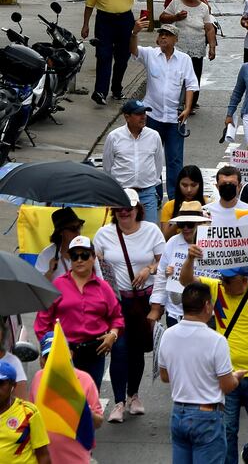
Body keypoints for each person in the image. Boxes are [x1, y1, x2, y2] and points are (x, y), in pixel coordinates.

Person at [178, 243, 248, 464]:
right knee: (227, 430)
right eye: (223, 278)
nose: (224, 283)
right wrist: (190, 259)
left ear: (244, 279)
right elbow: (186, 281)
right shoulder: (216, 289)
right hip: (226, 374)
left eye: (229, 280)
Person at [92, 189, 164, 422]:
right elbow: (95, 265)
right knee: (119, 349)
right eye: (120, 209)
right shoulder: (103, 234)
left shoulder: (151, 231)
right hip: (116, 302)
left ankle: (134, 395)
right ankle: (119, 402)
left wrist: (149, 269)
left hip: (143, 301)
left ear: (137, 210)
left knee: (137, 349)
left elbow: (163, 261)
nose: (124, 212)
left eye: (129, 208)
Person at [157, 282, 244, 464]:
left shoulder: (168, 335)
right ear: (206, 306)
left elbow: (165, 376)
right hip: (207, 417)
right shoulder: (216, 340)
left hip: (178, 414)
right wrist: (236, 378)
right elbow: (226, 385)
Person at [33, 234, 122, 389]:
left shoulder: (103, 288)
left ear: (93, 258)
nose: (79, 260)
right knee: (65, 402)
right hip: (64, 351)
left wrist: (112, 335)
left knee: (90, 401)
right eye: (74, 256)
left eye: (84, 255)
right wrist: (48, 350)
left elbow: (116, 317)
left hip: (95, 351)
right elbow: (42, 322)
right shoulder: (58, 285)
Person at [130, 21, 199, 198]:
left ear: (175, 39)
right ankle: (155, 194)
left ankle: (175, 198)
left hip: (175, 118)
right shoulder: (150, 54)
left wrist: (187, 107)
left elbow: (191, 84)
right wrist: (134, 33)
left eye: (167, 35)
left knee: (175, 159)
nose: (162, 37)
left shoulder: (184, 59)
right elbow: (134, 51)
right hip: (152, 116)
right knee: (152, 157)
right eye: (161, 34)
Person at [82, 0, 147, 104]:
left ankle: (116, 89)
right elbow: (90, 3)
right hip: (105, 20)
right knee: (103, 56)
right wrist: (85, 25)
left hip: (125, 20)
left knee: (122, 57)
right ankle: (100, 92)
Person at [28, 329, 105, 464]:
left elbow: (98, 422)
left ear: (70, 354)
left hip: (76, 458)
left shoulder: (85, 380)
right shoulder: (37, 378)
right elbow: (31, 416)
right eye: (48, 357)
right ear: (41, 360)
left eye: (58, 355)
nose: (53, 361)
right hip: (44, 458)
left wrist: (81, 408)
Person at [101, 98, 165, 223]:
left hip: (147, 194)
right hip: (122, 195)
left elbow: (158, 165)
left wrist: (149, 182)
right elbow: (107, 167)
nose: (143, 117)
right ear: (127, 117)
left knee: (150, 232)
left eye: (144, 113)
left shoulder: (154, 136)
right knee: (122, 232)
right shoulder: (114, 137)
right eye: (138, 114)